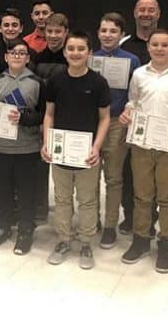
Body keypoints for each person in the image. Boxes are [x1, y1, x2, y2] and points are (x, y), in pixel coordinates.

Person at [120, 28, 168, 273]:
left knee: (166, 197)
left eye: (165, 45)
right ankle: (141, 239)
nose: (159, 49)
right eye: (155, 44)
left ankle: (166, 241)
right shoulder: (139, 74)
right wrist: (127, 113)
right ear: (148, 47)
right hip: (142, 145)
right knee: (142, 195)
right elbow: (132, 101)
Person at [42, 30, 110, 270]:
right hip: (60, 153)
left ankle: (86, 243)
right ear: (64, 52)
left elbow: (104, 118)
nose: (76, 53)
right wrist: (47, 142)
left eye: (81, 49)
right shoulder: (56, 81)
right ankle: (63, 240)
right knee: (61, 199)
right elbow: (49, 114)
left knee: (87, 201)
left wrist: (96, 147)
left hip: (86, 155)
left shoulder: (98, 82)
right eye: (71, 49)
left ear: (90, 53)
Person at [0, 39, 46, 255]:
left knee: (27, 191)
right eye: (13, 52)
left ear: (28, 58)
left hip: (27, 148)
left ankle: (25, 230)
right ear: (6, 56)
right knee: (2, 190)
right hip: (1, 147)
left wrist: (24, 118)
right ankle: (3, 226)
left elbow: (43, 115)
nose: (17, 56)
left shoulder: (37, 82)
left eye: (22, 53)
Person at [93, 13, 141, 249]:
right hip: (91, 124)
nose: (108, 35)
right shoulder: (90, 57)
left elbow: (136, 95)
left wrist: (129, 112)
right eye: (104, 30)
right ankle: (93, 220)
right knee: (91, 176)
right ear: (98, 33)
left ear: (122, 35)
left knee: (113, 178)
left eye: (113, 31)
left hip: (115, 124)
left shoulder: (132, 60)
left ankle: (110, 226)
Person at [119, 0, 161, 235]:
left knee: (154, 174)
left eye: (151, 10)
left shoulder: (167, 43)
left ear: (158, 13)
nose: (146, 13)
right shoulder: (124, 45)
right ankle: (129, 216)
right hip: (129, 120)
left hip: (158, 120)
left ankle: (151, 218)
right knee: (128, 170)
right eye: (142, 9)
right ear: (135, 13)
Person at [33, 12, 69, 222]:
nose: (54, 35)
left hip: (67, 119)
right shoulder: (37, 58)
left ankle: (70, 211)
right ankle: (40, 208)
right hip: (44, 117)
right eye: (50, 31)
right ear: (44, 32)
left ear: (65, 33)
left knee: (70, 170)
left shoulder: (73, 55)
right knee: (40, 164)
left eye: (58, 31)